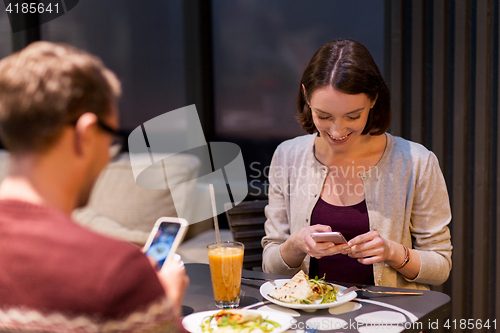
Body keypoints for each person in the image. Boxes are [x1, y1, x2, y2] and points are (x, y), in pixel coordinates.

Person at [0, 41, 189, 332]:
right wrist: (166, 304)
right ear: (85, 134)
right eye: (110, 137)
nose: (108, 154)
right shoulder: (116, 272)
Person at [261, 39, 452, 290]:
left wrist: (393, 252)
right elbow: (269, 265)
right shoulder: (287, 156)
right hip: (309, 322)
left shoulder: (416, 162)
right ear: (306, 97)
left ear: (373, 99)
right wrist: (295, 245)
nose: (337, 131)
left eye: (353, 116)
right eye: (324, 116)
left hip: (387, 321)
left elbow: (440, 267)